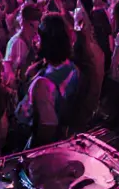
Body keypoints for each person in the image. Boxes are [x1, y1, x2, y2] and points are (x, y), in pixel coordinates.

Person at [16, 14, 80, 147]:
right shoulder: (72, 68)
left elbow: (46, 130)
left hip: (29, 139)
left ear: (48, 41)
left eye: (39, 36)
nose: (35, 39)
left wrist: (27, 152)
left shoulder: (43, 84)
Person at [4, 5, 41, 91]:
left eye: (37, 27)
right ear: (24, 22)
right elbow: (9, 68)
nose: (35, 31)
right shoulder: (16, 42)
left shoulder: (33, 40)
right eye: (32, 26)